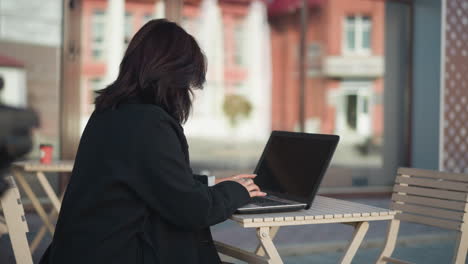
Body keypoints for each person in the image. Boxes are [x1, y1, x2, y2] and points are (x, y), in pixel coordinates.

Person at [39, 19, 266, 264]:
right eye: (188, 83)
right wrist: (236, 191)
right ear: (174, 76)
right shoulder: (149, 123)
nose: (187, 93)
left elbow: (145, 179)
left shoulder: (110, 112)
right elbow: (190, 209)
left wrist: (211, 182)